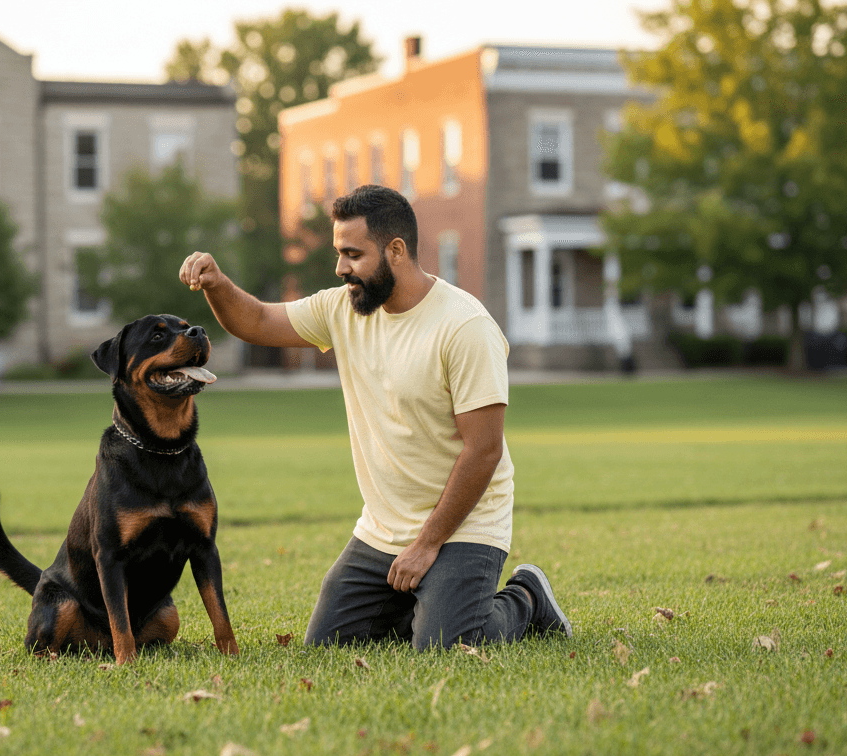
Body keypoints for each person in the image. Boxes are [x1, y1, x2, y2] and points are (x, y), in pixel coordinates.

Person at [178, 184, 570, 649]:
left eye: (352, 254)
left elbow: (483, 451)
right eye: (339, 253)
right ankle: (425, 602)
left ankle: (526, 597)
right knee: (329, 646)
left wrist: (426, 547)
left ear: (396, 251)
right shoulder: (344, 308)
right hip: (382, 530)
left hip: (464, 525)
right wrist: (218, 284)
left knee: (446, 645)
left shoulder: (465, 328)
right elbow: (258, 322)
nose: (340, 268)